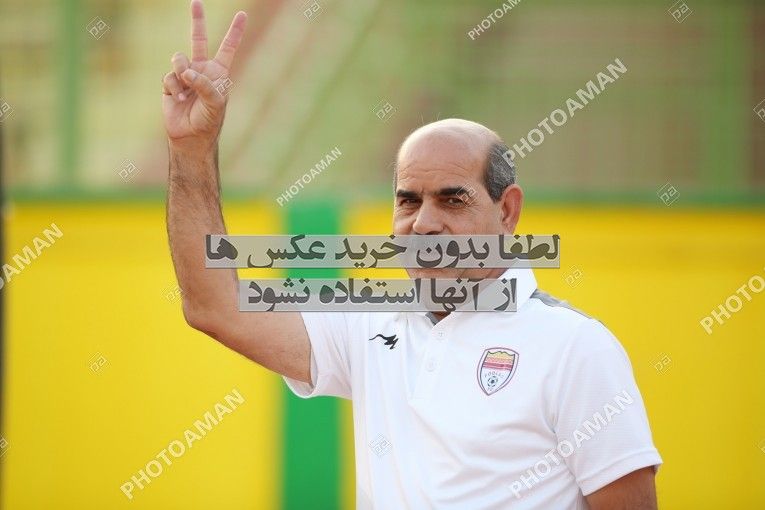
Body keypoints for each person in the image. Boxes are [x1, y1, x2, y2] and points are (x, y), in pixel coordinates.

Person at [162, 2, 662, 508]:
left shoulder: (576, 348)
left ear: (508, 211)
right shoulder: (368, 322)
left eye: (452, 199)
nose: (423, 224)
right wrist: (192, 149)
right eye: (408, 201)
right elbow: (214, 305)